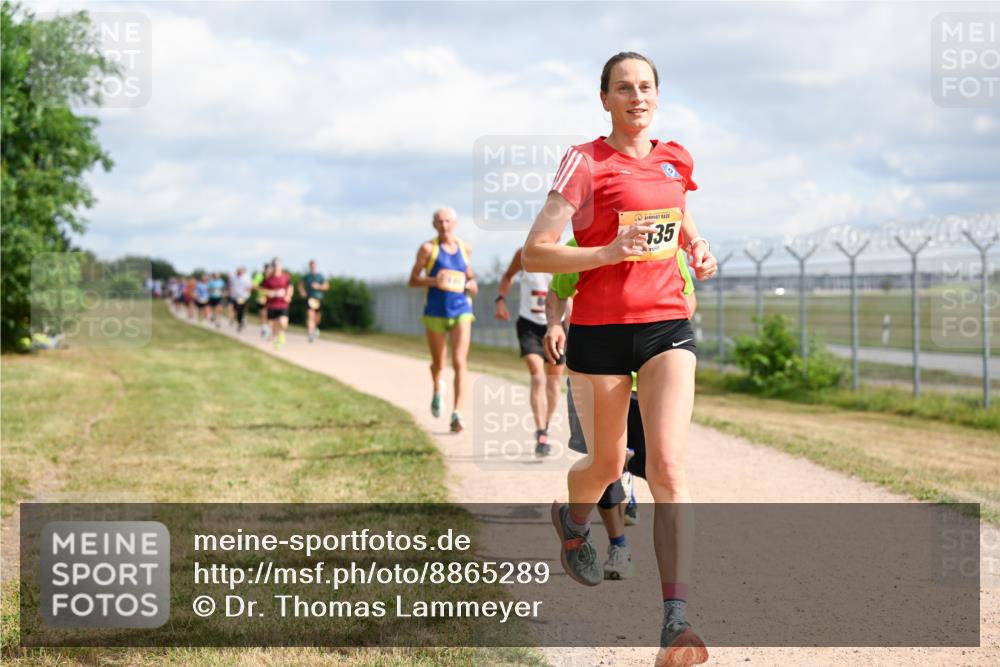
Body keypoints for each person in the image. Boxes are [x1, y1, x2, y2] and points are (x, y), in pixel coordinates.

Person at [521, 52, 717, 667]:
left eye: (646, 87)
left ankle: (676, 620)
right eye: (624, 88)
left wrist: (700, 248)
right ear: (604, 98)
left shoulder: (675, 158)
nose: (637, 97)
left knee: (667, 467)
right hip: (601, 334)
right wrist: (605, 252)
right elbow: (536, 253)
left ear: (658, 96)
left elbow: (681, 221)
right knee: (610, 461)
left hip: (666, 327)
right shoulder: (585, 161)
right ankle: (574, 515)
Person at [545, 238, 698, 580]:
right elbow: (557, 291)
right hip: (597, 370)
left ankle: (676, 612)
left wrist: (659, 329)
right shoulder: (582, 242)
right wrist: (555, 324)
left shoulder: (666, 241)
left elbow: (687, 296)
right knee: (607, 465)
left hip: (649, 377)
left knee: (660, 468)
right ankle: (618, 545)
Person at [408, 207, 477, 433]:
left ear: (455, 223)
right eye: (439, 222)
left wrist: (472, 285)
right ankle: (438, 387)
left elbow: (470, 277)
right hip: (435, 312)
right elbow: (413, 281)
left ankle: (458, 413)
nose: (444, 225)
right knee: (439, 362)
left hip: (461, 310)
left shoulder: (465, 248)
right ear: (434, 225)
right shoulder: (428, 249)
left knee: (459, 360)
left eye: (447, 221)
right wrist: (433, 281)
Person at [494, 246, 564, 456]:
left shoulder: (564, 253)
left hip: (556, 326)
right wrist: (500, 300)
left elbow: (571, 291)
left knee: (554, 382)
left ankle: (546, 425)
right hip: (529, 325)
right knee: (538, 377)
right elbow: (507, 276)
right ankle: (541, 431)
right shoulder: (525, 253)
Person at [261, 257, 292, 350]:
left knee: (283, 322)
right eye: (275, 265)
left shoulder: (285, 277)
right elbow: (263, 290)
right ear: (272, 266)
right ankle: (276, 338)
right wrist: (269, 293)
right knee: (273, 325)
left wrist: (288, 295)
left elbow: (290, 287)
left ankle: (281, 335)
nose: (277, 267)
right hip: (271, 305)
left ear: (280, 266)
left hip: (283, 304)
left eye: (278, 265)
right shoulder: (268, 279)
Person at [299, 260, 329, 343]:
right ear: (309, 266)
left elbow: (327, 286)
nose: (312, 267)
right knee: (310, 315)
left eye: (314, 265)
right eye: (311, 265)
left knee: (317, 318)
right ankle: (310, 334)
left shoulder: (320, 276)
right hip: (310, 298)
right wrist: (302, 292)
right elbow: (301, 285)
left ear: (316, 266)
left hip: (319, 298)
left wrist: (318, 286)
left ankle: (315, 329)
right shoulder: (306, 276)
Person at [228, 267, 253, 332]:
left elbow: (250, 287)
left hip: (243, 297)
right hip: (234, 296)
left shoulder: (247, 278)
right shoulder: (233, 277)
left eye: (241, 270)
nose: (239, 272)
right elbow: (229, 285)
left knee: (240, 310)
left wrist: (247, 290)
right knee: (234, 309)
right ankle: (237, 320)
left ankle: (241, 322)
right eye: (238, 270)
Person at [254, 263, 272, 339]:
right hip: (261, 298)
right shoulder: (259, 276)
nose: (269, 271)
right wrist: (262, 289)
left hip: (271, 298)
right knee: (262, 314)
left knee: (269, 315)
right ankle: (263, 329)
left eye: (270, 269)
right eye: (267, 269)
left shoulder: (273, 277)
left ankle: (269, 330)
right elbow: (254, 286)